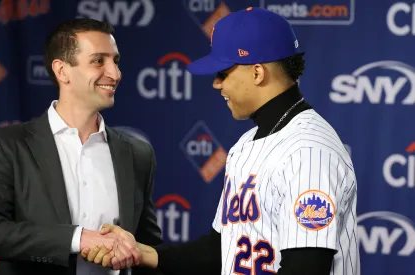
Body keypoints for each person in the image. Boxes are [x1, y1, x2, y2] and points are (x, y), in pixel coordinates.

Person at [81, 7, 360, 275]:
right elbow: (221, 250)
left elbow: (305, 268)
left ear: (257, 72)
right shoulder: (247, 144)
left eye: (223, 73)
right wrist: (141, 252)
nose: (216, 83)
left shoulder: (308, 151)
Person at [0, 18, 163, 275]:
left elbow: (148, 248)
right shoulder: (8, 145)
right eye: (98, 61)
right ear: (62, 71)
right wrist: (78, 239)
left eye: (116, 61)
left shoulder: (137, 154)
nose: (115, 73)